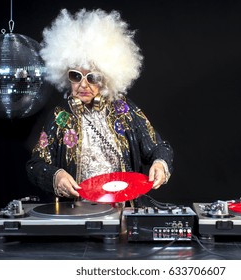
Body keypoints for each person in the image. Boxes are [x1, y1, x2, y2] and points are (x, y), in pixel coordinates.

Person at [26, 8, 173, 203]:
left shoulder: (124, 109)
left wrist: (160, 164)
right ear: (66, 76)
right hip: (79, 213)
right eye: (76, 76)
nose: (83, 84)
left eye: (93, 77)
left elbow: (158, 146)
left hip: (123, 210)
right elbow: (36, 164)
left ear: (106, 79)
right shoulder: (59, 116)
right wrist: (56, 176)